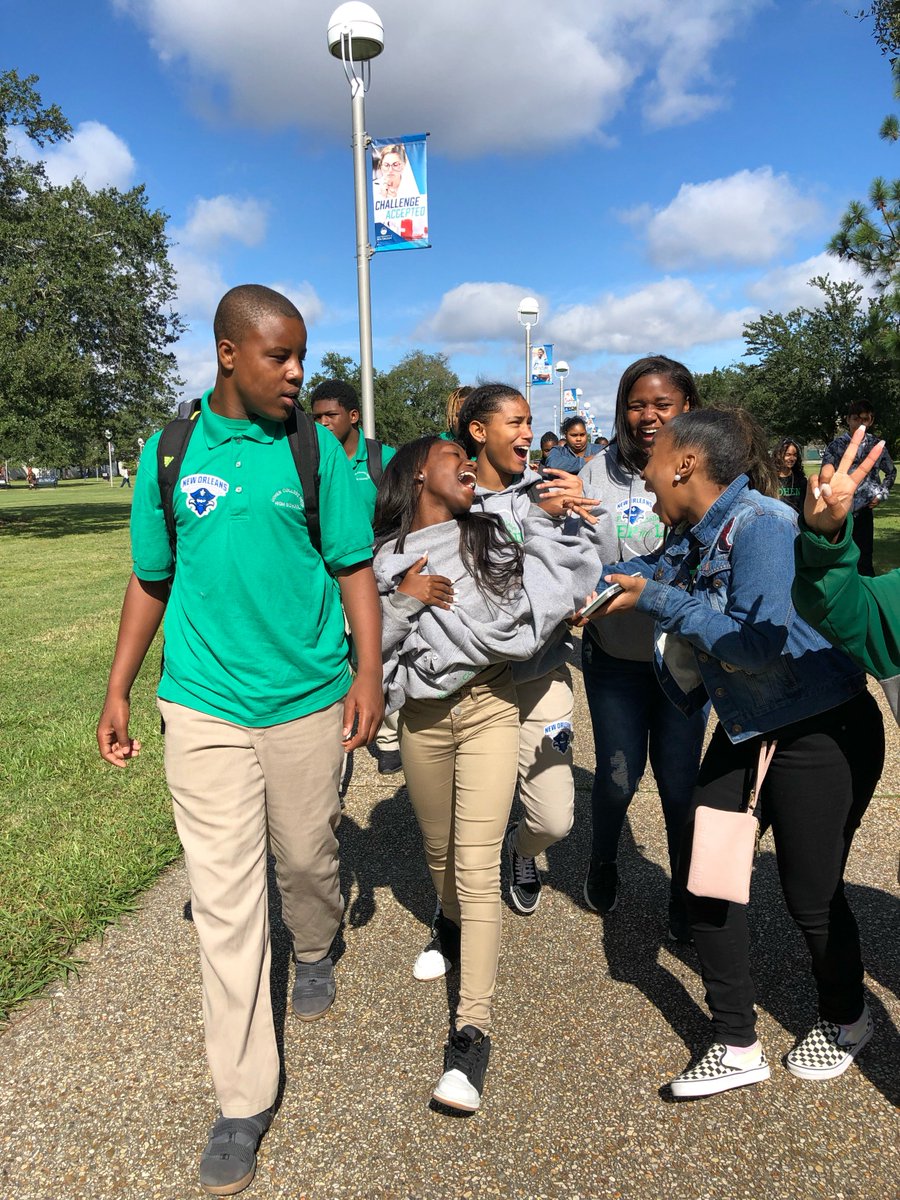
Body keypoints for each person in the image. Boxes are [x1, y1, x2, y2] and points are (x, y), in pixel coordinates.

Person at [96, 285, 384, 1195]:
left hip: (305, 698)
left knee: (304, 857)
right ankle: (242, 1097)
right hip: (204, 704)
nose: (297, 373)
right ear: (228, 353)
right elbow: (151, 577)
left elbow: (354, 567)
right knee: (223, 901)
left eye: (301, 356)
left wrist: (369, 674)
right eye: (278, 356)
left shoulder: (313, 450)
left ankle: (315, 944)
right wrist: (118, 688)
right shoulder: (169, 452)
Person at [581, 407, 884, 1099]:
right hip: (750, 729)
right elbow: (647, 569)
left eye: (654, 459)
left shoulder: (763, 525)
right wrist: (595, 587)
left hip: (820, 728)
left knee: (811, 894)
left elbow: (756, 646)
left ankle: (848, 1018)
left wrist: (657, 600)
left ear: (685, 463)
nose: (644, 473)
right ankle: (736, 1042)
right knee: (709, 876)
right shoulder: (693, 532)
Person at [373, 434, 597, 1112]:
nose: (468, 465)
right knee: (440, 853)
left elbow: (525, 620)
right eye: (453, 457)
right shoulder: (384, 558)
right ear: (418, 475)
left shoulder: (491, 533)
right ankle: (447, 923)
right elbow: (366, 651)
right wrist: (403, 600)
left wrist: (555, 521)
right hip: (421, 719)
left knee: (476, 866)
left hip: (491, 706)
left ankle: (471, 1035)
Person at [457, 383, 600, 915]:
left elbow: (585, 560)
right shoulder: (453, 495)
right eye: (514, 422)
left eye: (529, 422)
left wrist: (583, 595)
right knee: (476, 816)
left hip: (542, 675)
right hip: (477, 686)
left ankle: (522, 849)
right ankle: (460, 913)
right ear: (479, 431)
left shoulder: (547, 488)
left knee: (554, 818)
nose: (526, 433)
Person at [578, 356, 707, 941]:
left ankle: (684, 889)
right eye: (637, 404)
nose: (648, 415)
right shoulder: (594, 474)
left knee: (680, 786)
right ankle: (604, 858)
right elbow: (575, 556)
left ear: (687, 408)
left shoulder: (704, 468)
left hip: (684, 661)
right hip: (615, 657)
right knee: (617, 778)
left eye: (663, 404)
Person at [309, 379, 397, 777]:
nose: (323, 423)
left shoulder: (383, 459)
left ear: (354, 416)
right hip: (327, 577)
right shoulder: (309, 458)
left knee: (376, 652)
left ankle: (389, 737)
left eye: (331, 415)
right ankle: (337, 726)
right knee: (334, 652)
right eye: (317, 417)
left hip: (375, 576)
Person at [793, 423, 900, 723]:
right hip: (842, 512)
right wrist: (825, 539)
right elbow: (834, 604)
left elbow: (889, 473)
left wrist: (881, 494)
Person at [822, 401, 895, 576]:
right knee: (839, 557)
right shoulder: (836, 446)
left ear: (871, 421)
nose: (860, 423)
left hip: (864, 511)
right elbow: (825, 473)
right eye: (856, 418)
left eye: (865, 419)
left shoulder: (877, 446)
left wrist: (881, 494)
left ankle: (866, 591)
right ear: (848, 419)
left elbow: (891, 472)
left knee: (865, 558)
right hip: (839, 510)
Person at [772, 437, 804, 513]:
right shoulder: (770, 480)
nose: (792, 458)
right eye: (788, 454)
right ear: (779, 455)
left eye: (795, 455)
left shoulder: (801, 480)